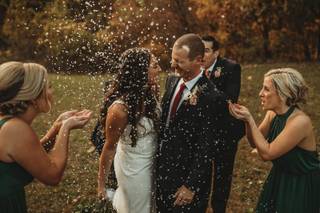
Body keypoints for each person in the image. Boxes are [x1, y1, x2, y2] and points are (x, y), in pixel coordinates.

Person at [0, 61, 92, 213]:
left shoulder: (8, 123)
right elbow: (52, 175)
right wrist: (65, 128)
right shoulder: (16, 129)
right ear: (33, 98)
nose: (51, 91)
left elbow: (31, 154)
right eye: (48, 86)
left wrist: (56, 127)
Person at [229, 68, 320, 212]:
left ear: (283, 94)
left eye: (266, 89)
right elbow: (254, 142)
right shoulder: (273, 114)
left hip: (300, 183)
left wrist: (250, 120)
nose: (260, 94)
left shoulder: (300, 122)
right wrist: (246, 121)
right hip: (280, 175)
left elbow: (267, 154)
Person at [155, 33, 227, 212]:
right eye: (173, 59)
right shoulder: (171, 81)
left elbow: (207, 147)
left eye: (179, 62)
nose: (173, 65)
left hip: (186, 179)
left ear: (199, 61)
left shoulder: (212, 97)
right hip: (163, 171)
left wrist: (191, 186)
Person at [97, 47, 161, 213]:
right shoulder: (119, 109)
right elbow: (109, 147)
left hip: (154, 161)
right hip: (134, 167)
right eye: (154, 66)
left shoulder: (151, 92)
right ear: (140, 70)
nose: (159, 69)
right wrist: (101, 186)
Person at [201, 35, 245, 213]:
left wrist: (205, 83)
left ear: (216, 52)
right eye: (200, 50)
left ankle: (219, 209)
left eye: (206, 50)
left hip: (225, 132)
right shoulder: (194, 66)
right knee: (201, 173)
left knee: (222, 176)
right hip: (201, 131)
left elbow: (229, 99)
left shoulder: (231, 68)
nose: (202, 54)